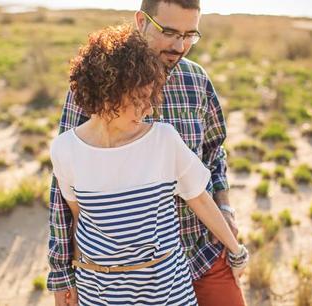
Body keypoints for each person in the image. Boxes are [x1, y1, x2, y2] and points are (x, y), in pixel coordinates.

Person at [47, 1, 248, 305]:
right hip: (123, 278)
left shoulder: (197, 80)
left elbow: (214, 150)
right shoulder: (100, 85)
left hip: (203, 247)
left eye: (190, 35)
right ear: (141, 20)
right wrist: (63, 273)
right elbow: (67, 191)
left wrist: (226, 207)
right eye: (169, 32)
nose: (179, 45)